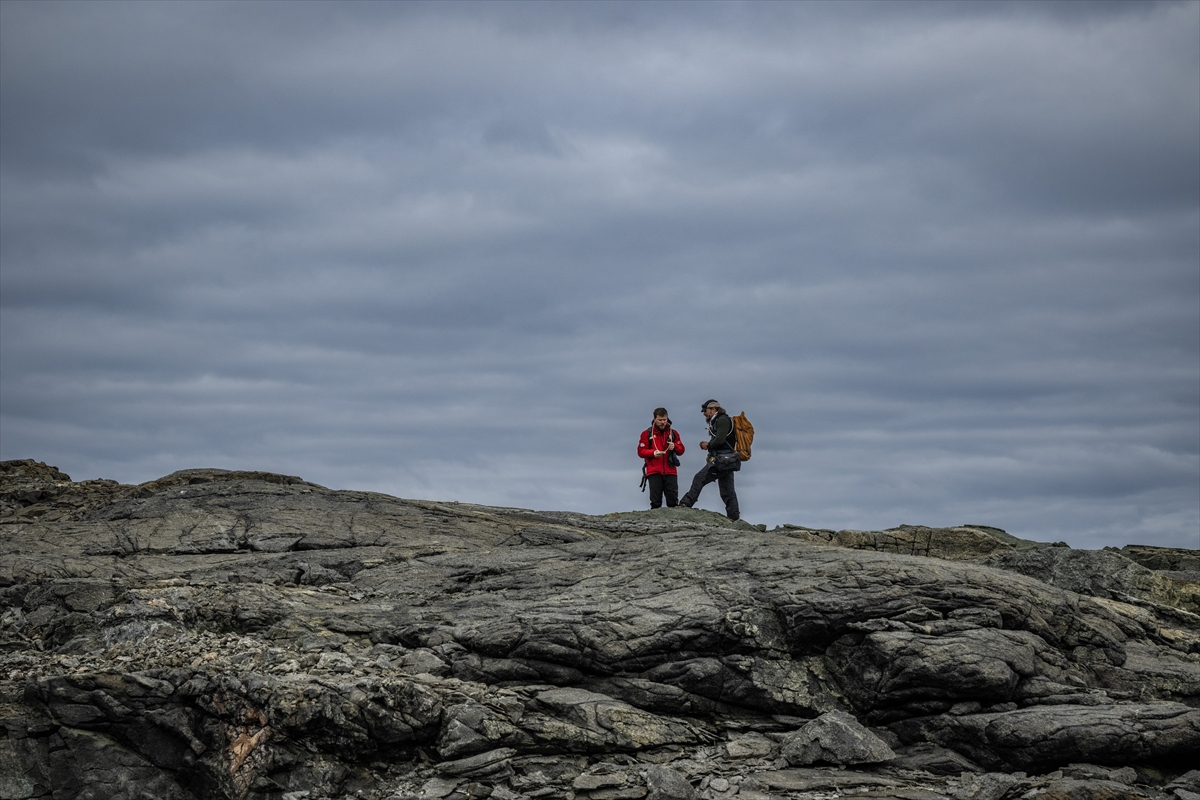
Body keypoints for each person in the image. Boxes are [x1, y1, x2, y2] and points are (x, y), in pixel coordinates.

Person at [678, 399, 740, 521]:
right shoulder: (720, 420)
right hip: (728, 460)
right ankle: (734, 518)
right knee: (727, 491)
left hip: (722, 460)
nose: (704, 413)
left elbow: (720, 440)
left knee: (700, 477)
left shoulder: (722, 420)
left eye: (705, 410)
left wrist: (708, 445)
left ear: (713, 409)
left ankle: (685, 504)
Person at [637, 408, 686, 509]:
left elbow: (681, 450)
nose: (663, 422)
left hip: (670, 471)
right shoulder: (647, 433)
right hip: (654, 471)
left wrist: (675, 446)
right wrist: (653, 453)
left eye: (664, 419)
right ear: (654, 419)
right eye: (660, 420)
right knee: (655, 502)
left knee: (673, 501)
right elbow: (641, 451)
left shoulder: (673, 433)